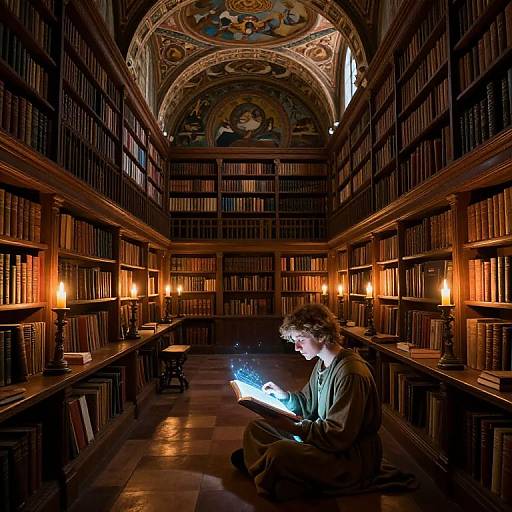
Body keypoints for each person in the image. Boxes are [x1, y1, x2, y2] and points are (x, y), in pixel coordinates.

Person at [230, 303, 383, 501]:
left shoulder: (351, 373)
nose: (296, 347)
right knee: (255, 428)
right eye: (294, 340)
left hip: (348, 458)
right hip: (324, 442)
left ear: (320, 335)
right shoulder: (323, 362)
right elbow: (308, 403)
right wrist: (284, 396)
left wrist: (293, 427)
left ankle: (269, 467)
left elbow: (338, 435)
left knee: (280, 451)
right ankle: (273, 469)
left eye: (300, 340)